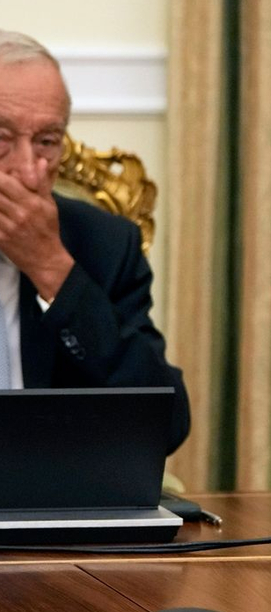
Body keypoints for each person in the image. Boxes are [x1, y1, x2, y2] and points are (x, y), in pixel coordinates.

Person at [0, 30, 189, 452]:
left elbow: (166, 425)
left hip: (55, 504)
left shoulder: (103, 245)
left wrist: (54, 271)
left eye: (47, 142)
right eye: (2, 139)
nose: (29, 173)